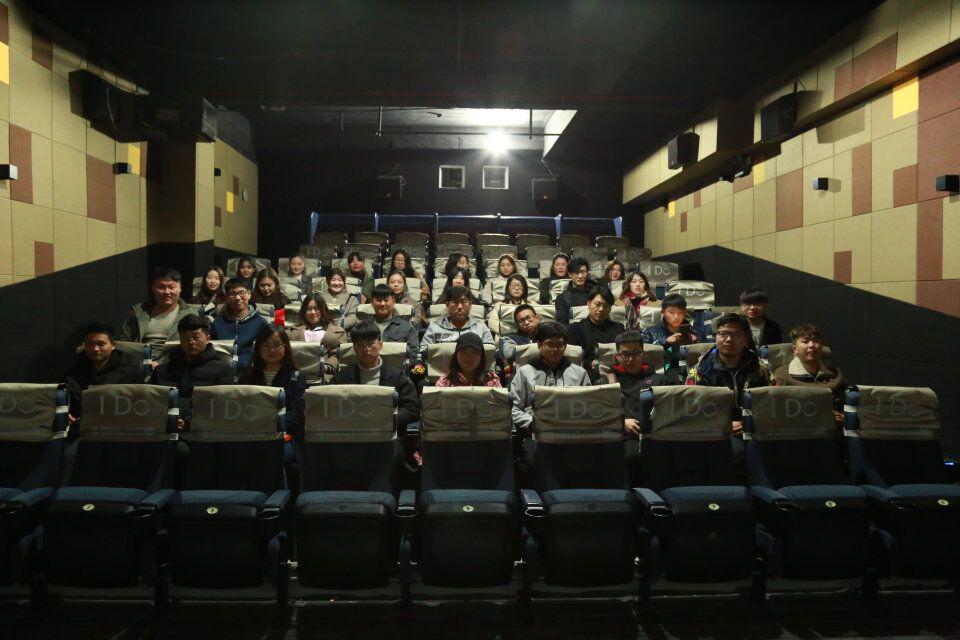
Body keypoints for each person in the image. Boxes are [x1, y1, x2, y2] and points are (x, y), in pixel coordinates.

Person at [333, 321, 420, 469]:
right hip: (352, 434)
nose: (366, 349)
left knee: (393, 456)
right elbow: (331, 406)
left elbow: (412, 408)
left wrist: (387, 419)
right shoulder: (342, 377)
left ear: (380, 345)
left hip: (387, 433)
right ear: (354, 348)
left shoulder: (397, 376)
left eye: (370, 344)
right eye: (360, 345)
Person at [606, 331, 682, 486]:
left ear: (643, 354)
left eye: (635, 353)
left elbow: (675, 410)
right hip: (624, 438)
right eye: (625, 354)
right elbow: (599, 414)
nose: (631, 359)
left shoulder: (661, 381)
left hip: (657, 436)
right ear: (618, 357)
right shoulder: (606, 382)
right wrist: (621, 422)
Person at [686, 313, 772, 437]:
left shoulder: (759, 368)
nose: (729, 339)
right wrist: (723, 424)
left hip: (753, 429)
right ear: (716, 337)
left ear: (745, 339)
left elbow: (771, 404)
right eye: (723, 333)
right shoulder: (700, 370)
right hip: (712, 430)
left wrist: (748, 422)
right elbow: (691, 408)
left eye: (736, 334)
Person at [151, 314, 234, 430]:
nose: (190, 342)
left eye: (196, 337)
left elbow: (222, 408)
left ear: (208, 339)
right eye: (185, 337)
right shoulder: (162, 370)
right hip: (162, 426)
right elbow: (151, 403)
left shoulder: (222, 370)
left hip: (203, 430)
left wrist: (188, 422)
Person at [509, 321, 591, 436]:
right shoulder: (524, 372)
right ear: (539, 345)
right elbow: (513, 408)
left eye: (560, 344)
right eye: (550, 344)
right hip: (536, 432)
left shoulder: (580, 373)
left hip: (572, 432)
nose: (555, 349)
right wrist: (533, 423)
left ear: (565, 346)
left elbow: (589, 407)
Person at [239, 324, 308, 449]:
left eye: (277, 345)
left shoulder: (297, 377)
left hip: (284, 434)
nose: (271, 350)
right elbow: (240, 406)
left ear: (285, 347)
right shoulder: (248, 374)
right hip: (251, 433)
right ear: (258, 348)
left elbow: (297, 414)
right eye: (266, 345)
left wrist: (270, 423)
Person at [62, 322, 143, 421]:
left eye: (101, 344)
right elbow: (63, 401)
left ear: (113, 345)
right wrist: (66, 414)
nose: (95, 349)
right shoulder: (73, 372)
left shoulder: (130, 373)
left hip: (115, 424)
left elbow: (137, 408)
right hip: (78, 425)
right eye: (90, 344)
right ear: (84, 345)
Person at [119, 267, 199, 362]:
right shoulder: (139, 312)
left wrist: (163, 364)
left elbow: (197, 344)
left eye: (171, 287)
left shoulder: (190, 313)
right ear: (153, 288)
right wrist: (146, 363)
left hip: (175, 364)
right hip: (139, 363)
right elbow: (124, 342)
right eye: (161, 287)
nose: (167, 292)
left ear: (180, 288)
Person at [773, 323, 847, 424]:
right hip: (797, 426)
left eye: (816, 341)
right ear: (795, 349)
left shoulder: (835, 374)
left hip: (831, 427)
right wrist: (824, 416)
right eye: (806, 341)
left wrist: (844, 416)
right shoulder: (782, 375)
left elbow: (846, 403)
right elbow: (777, 410)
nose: (812, 345)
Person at [567, 285, 624, 382]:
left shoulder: (619, 329)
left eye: (605, 306)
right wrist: (590, 363)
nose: (601, 309)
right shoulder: (575, 329)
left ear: (610, 309)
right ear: (588, 304)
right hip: (585, 374)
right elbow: (572, 359)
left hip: (615, 374)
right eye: (597, 304)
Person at [211, 277, 270, 369]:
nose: (237, 298)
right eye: (232, 294)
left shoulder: (261, 323)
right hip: (223, 370)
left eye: (242, 293)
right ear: (227, 297)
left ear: (249, 294)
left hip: (251, 370)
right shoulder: (217, 323)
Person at [420, 285, 494, 357]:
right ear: (447, 305)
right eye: (455, 302)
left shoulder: (481, 327)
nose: (459, 307)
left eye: (463, 302)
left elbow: (490, 352)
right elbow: (422, 351)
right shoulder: (434, 328)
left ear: (470, 305)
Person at [641, 293, 708, 372]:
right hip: (660, 373)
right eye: (672, 312)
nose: (676, 316)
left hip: (690, 372)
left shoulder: (696, 333)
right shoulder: (649, 332)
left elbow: (709, 355)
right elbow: (644, 355)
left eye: (680, 312)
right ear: (663, 312)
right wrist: (665, 341)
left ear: (685, 312)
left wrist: (697, 343)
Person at [285, 293, 348, 371]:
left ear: (323, 310)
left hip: (326, 374)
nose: (313, 312)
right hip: (297, 373)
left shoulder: (338, 332)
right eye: (308, 309)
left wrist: (327, 367)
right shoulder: (291, 333)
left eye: (316, 308)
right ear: (304, 312)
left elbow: (339, 355)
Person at [368, 284, 419, 362]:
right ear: (372, 303)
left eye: (386, 300)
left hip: (399, 368)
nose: (382, 304)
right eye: (378, 300)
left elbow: (413, 354)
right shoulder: (362, 327)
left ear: (393, 302)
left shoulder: (406, 327)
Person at [435, 333, 501, 388]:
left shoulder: (490, 379)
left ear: (481, 355)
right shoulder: (445, 381)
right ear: (457, 355)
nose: (469, 357)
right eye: (464, 352)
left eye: (474, 352)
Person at [555, 257, 598, 324]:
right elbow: (562, 324)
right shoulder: (562, 298)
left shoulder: (596, 294)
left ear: (587, 273)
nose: (580, 276)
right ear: (570, 274)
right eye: (576, 273)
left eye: (583, 272)